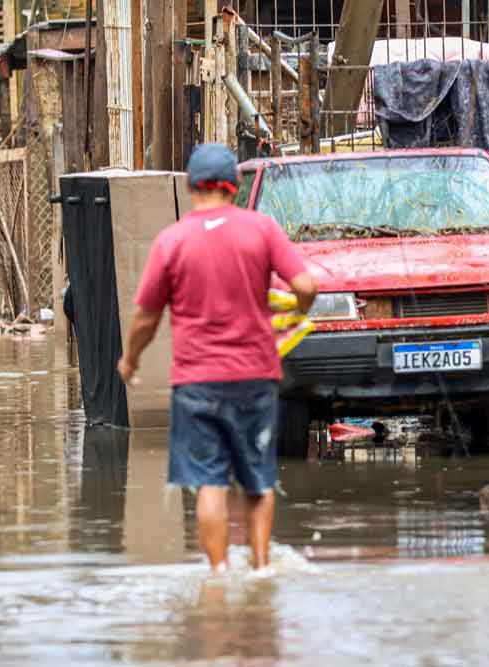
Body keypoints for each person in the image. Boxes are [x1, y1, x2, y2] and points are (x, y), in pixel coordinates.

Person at [117, 143, 317, 572]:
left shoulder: (171, 240)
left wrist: (130, 360)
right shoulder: (261, 229)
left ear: (191, 186)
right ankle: (261, 570)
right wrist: (295, 314)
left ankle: (219, 573)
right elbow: (306, 285)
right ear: (235, 185)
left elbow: (145, 316)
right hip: (255, 378)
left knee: (210, 482)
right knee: (258, 481)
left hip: (196, 382)